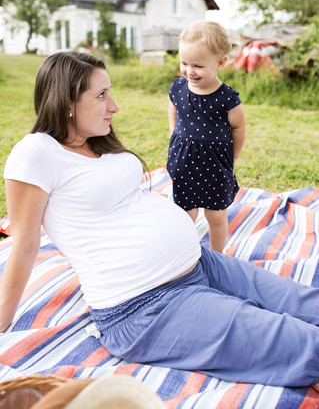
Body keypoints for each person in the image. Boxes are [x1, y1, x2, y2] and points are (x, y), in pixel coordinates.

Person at [1, 51, 319, 392]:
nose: (114, 106)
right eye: (102, 95)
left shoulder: (96, 141)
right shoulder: (37, 152)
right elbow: (24, 243)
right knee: (307, 347)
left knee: (306, 303)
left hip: (201, 264)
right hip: (145, 307)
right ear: (66, 103)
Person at [167, 20, 245, 253]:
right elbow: (173, 107)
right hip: (184, 163)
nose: (189, 71)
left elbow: (238, 129)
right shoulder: (179, 87)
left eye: (198, 66)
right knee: (184, 214)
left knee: (216, 215)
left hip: (215, 166)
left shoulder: (227, 98)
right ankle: (184, 253)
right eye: (184, 63)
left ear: (220, 62)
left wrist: (233, 159)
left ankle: (217, 254)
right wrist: (174, 133)